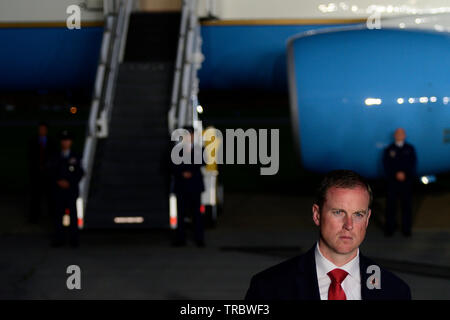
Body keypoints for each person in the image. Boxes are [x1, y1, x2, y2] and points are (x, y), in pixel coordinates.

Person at [245, 170, 411, 300]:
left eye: (358, 215)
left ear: (367, 219)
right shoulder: (269, 288)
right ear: (317, 215)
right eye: (338, 212)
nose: (349, 225)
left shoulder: (395, 291)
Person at [47, 130, 84, 248]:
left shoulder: (76, 156)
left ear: (71, 142)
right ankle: (58, 239)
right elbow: (50, 171)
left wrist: (69, 182)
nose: (65, 143)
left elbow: (80, 172)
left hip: (71, 190)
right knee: (58, 215)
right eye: (63, 140)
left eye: (67, 140)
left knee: (73, 216)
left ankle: (74, 240)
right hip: (58, 191)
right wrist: (58, 181)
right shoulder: (55, 156)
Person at [170, 126, 205, 247]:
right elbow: (171, 165)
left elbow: (202, 161)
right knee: (181, 214)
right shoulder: (176, 150)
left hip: (195, 186)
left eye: (190, 134)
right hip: (181, 186)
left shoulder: (199, 149)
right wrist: (182, 172)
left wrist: (190, 171)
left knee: (197, 214)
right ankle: (180, 239)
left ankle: (199, 239)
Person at [383, 128, 417, 237]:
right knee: (391, 206)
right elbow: (386, 164)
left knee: (406, 206)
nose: (399, 135)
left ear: (405, 135)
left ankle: (406, 229)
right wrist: (396, 174)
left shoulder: (410, 148)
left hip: (406, 182)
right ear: (394, 135)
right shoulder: (389, 149)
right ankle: (390, 229)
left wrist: (404, 174)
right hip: (393, 182)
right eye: (398, 133)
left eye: (401, 133)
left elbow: (413, 163)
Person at [28, 121, 56, 224]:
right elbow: (30, 157)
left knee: (50, 197)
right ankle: (33, 217)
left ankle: (51, 216)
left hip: (48, 175)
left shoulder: (51, 141)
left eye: (44, 129)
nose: (42, 131)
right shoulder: (33, 141)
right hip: (36, 174)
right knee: (35, 197)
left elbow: (54, 156)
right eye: (40, 129)